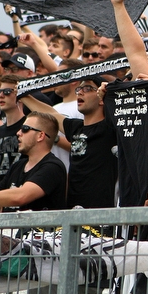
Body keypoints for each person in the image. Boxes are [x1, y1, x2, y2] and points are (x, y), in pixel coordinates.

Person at [21, 78, 118, 209]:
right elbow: (51, 113)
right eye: (79, 89)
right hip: (73, 209)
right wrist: (22, 94)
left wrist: (111, 93)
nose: (80, 93)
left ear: (102, 98)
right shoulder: (76, 127)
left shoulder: (111, 128)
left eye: (88, 89)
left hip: (101, 211)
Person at [0, 111, 67, 211]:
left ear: (40, 136)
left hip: (37, 231)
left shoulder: (53, 167)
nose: (18, 133)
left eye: (25, 129)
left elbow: (21, 196)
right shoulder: (18, 166)